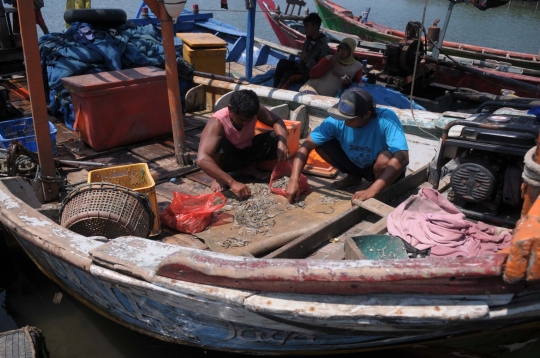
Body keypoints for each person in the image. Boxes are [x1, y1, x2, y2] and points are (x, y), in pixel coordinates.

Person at [285, 88, 409, 204]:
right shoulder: (336, 121)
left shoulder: (386, 118)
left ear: (367, 115)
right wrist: (294, 180)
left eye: (349, 118)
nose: (344, 121)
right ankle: (354, 177)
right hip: (357, 164)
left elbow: (402, 158)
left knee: (385, 158)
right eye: (341, 116)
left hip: (382, 170)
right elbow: (305, 147)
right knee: (321, 144)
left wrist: (371, 191)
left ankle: (378, 190)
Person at [198, 90, 290, 199]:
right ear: (230, 109)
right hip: (228, 160)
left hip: (247, 151)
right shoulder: (217, 122)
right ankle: (218, 177)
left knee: (276, 136)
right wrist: (232, 182)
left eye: (249, 120)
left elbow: (277, 121)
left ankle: (249, 168)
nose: (246, 123)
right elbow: (202, 159)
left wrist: (282, 142)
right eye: (241, 119)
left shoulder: (255, 110)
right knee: (220, 144)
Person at [272, 13, 330, 90]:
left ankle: (278, 93)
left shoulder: (323, 47)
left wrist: (308, 60)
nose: (305, 29)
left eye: (307, 26)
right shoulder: (308, 40)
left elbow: (321, 69)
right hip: (301, 67)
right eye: (304, 26)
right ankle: (274, 87)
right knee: (282, 62)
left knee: (288, 75)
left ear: (315, 27)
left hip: (309, 74)